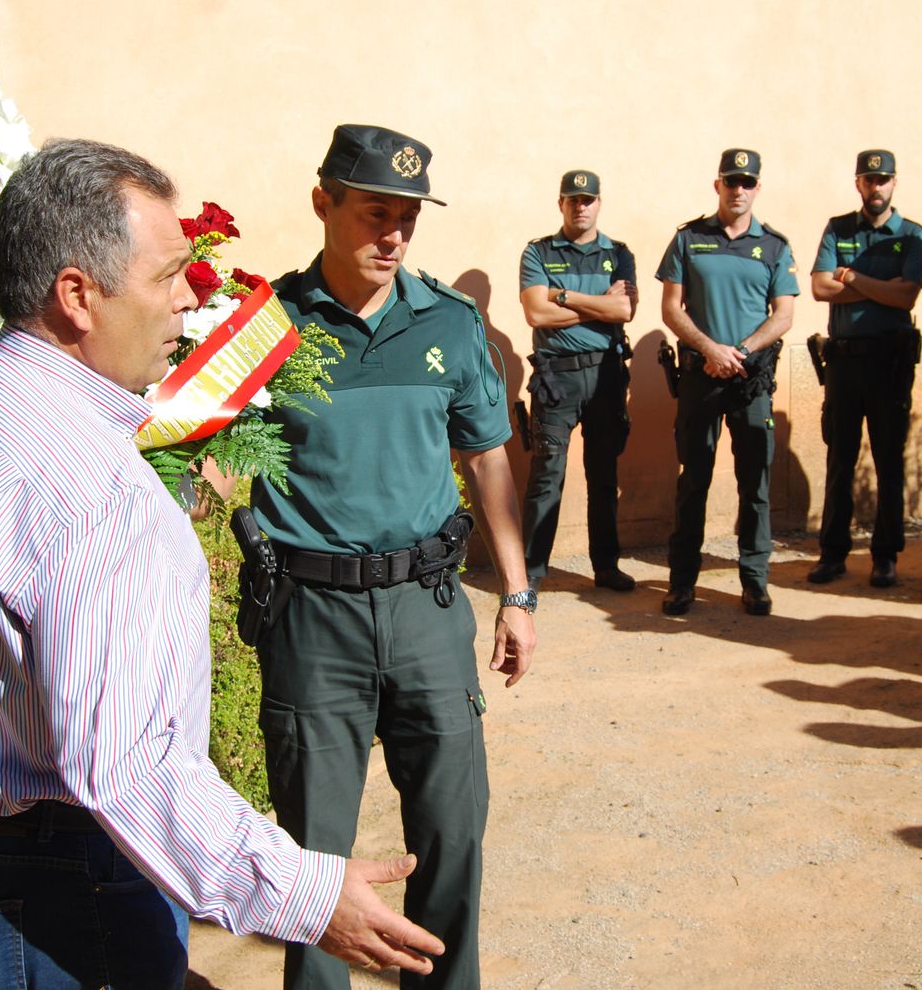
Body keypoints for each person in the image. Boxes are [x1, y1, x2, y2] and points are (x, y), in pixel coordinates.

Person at [0, 138, 444, 990]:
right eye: (168, 276)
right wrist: (308, 896)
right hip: (57, 860)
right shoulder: (91, 487)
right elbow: (123, 767)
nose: (187, 301)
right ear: (77, 294)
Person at [248, 124, 537, 989]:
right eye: (376, 213)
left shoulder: (449, 321)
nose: (393, 236)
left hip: (425, 611)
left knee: (452, 838)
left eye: (407, 218)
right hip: (311, 619)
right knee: (312, 862)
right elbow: (197, 447)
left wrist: (518, 593)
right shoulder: (267, 325)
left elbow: (488, 458)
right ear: (322, 203)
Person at [657, 148, 799, 616]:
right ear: (717, 185)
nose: (738, 190)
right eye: (731, 181)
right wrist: (711, 350)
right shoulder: (688, 238)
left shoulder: (775, 245)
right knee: (692, 479)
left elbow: (784, 314)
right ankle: (682, 583)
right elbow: (671, 309)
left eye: (747, 183)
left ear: (757, 188)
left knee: (754, 482)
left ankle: (755, 581)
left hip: (751, 380)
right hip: (701, 377)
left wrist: (743, 351)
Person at [806, 150, 922, 589]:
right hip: (843, 361)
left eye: (883, 179)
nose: (876, 187)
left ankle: (885, 555)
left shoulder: (912, 235)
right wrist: (881, 289)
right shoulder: (838, 229)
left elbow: (907, 296)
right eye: (868, 179)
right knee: (840, 458)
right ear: (858, 183)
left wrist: (853, 280)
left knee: (888, 460)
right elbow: (820, 287)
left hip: (889, 362)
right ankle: (833, 553)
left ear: (894, 183)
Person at [518, 169, 638, 592]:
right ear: (561, 204)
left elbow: (624, 311)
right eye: (573, 200)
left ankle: (606, 566)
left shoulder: (619, 254)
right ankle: (529, 574)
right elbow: (535, 313)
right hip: (556, 378)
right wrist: (597, 305)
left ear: (599, 203)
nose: (580, 206)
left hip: (605, 376)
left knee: (603, 476)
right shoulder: (538, 252)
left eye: (588, 200)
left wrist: (562, 296)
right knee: (546, 475)